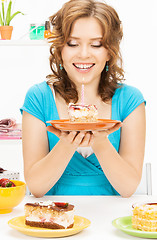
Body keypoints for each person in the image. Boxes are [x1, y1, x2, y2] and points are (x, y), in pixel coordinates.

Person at [20, 0, 146, 198]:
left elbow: (128, 188)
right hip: (53, 220)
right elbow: (36, 187)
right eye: (72, 43)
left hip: (110, 221)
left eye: (96, 44)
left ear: (109, 52)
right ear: (60, 49)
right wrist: (67, 142)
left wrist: (100, 141)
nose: (84, 54)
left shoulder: (130, 100)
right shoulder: (38, 97)